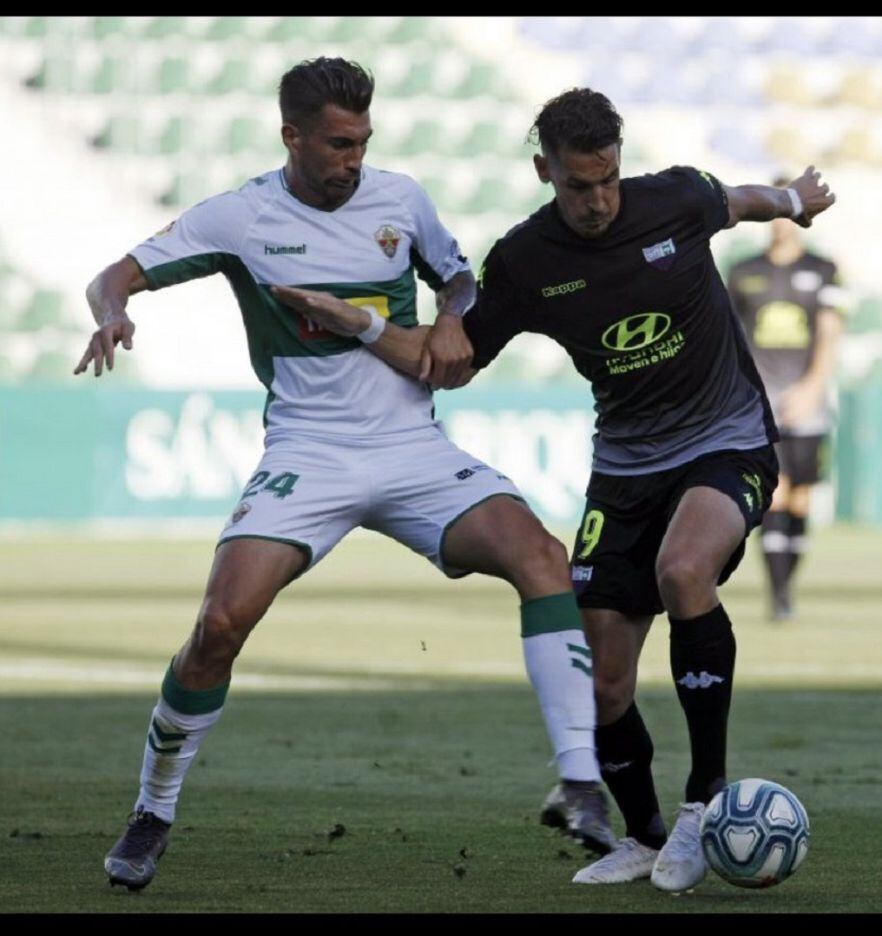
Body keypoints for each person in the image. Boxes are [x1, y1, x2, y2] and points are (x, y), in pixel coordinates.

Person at [74, 59, 614, 893]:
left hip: (411, 446)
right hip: (308, 451)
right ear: (291, 136)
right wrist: (114, 312)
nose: (352, 158)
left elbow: (461, 277)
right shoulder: (242, 215)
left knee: (542, 556)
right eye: (336, 143)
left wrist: (450, 316)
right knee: (220, 622)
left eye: (362, 141)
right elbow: (113, 275)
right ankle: (153, 808)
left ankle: (580, 783)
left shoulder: (401, 199)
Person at [282, 88, 836, 892]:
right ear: (546, 170)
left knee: (684, 572)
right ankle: (645, 837)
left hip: (728, 440)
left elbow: (741, 201)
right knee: (601, 678)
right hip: (625, 467)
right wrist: (359, 324)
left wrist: (795, 200)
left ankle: (703, 802)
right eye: (579, 185)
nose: (599, 200)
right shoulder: (527, 261)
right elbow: (454, 362)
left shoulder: (673, 198)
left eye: (609, 178)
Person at [727, 184, 845, 620]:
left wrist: (813, 386)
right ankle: (778, 596)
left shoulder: (824, 269)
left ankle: (786, 586)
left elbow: (831, 332)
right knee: (774, 494)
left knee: (801, 499)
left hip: (808, 398)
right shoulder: (743, 272)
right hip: (761, 403)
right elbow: (731, 338)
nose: (780, 222)